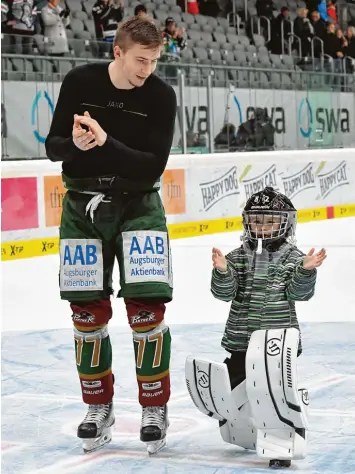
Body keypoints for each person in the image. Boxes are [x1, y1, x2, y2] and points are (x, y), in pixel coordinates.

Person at [45, 16, 177, 455]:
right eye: (141, 60)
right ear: (117, 53)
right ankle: (98, 407)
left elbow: (152, 165)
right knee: (86, 314)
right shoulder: (79, 80)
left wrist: (105, 143)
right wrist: (76, 146)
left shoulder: (161, 95)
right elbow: (52, 147)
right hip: (82, 207)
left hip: (140, 205)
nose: (147, 70)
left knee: (146, 310)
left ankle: (155, 407)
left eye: (154, 61)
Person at [185, 186, 327, 469]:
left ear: (285, 223)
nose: (262, 227)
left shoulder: (292, 257)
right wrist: (223, 271)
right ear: (247, 222)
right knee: (233, 387)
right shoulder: (237, 256)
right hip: (240, 339)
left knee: (272, 391)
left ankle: (281, 439)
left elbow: (300, 294)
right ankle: (240, 427)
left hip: (276, 343)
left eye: (269, 221)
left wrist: (306, 270)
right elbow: (224, 294)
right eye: (256, 220)